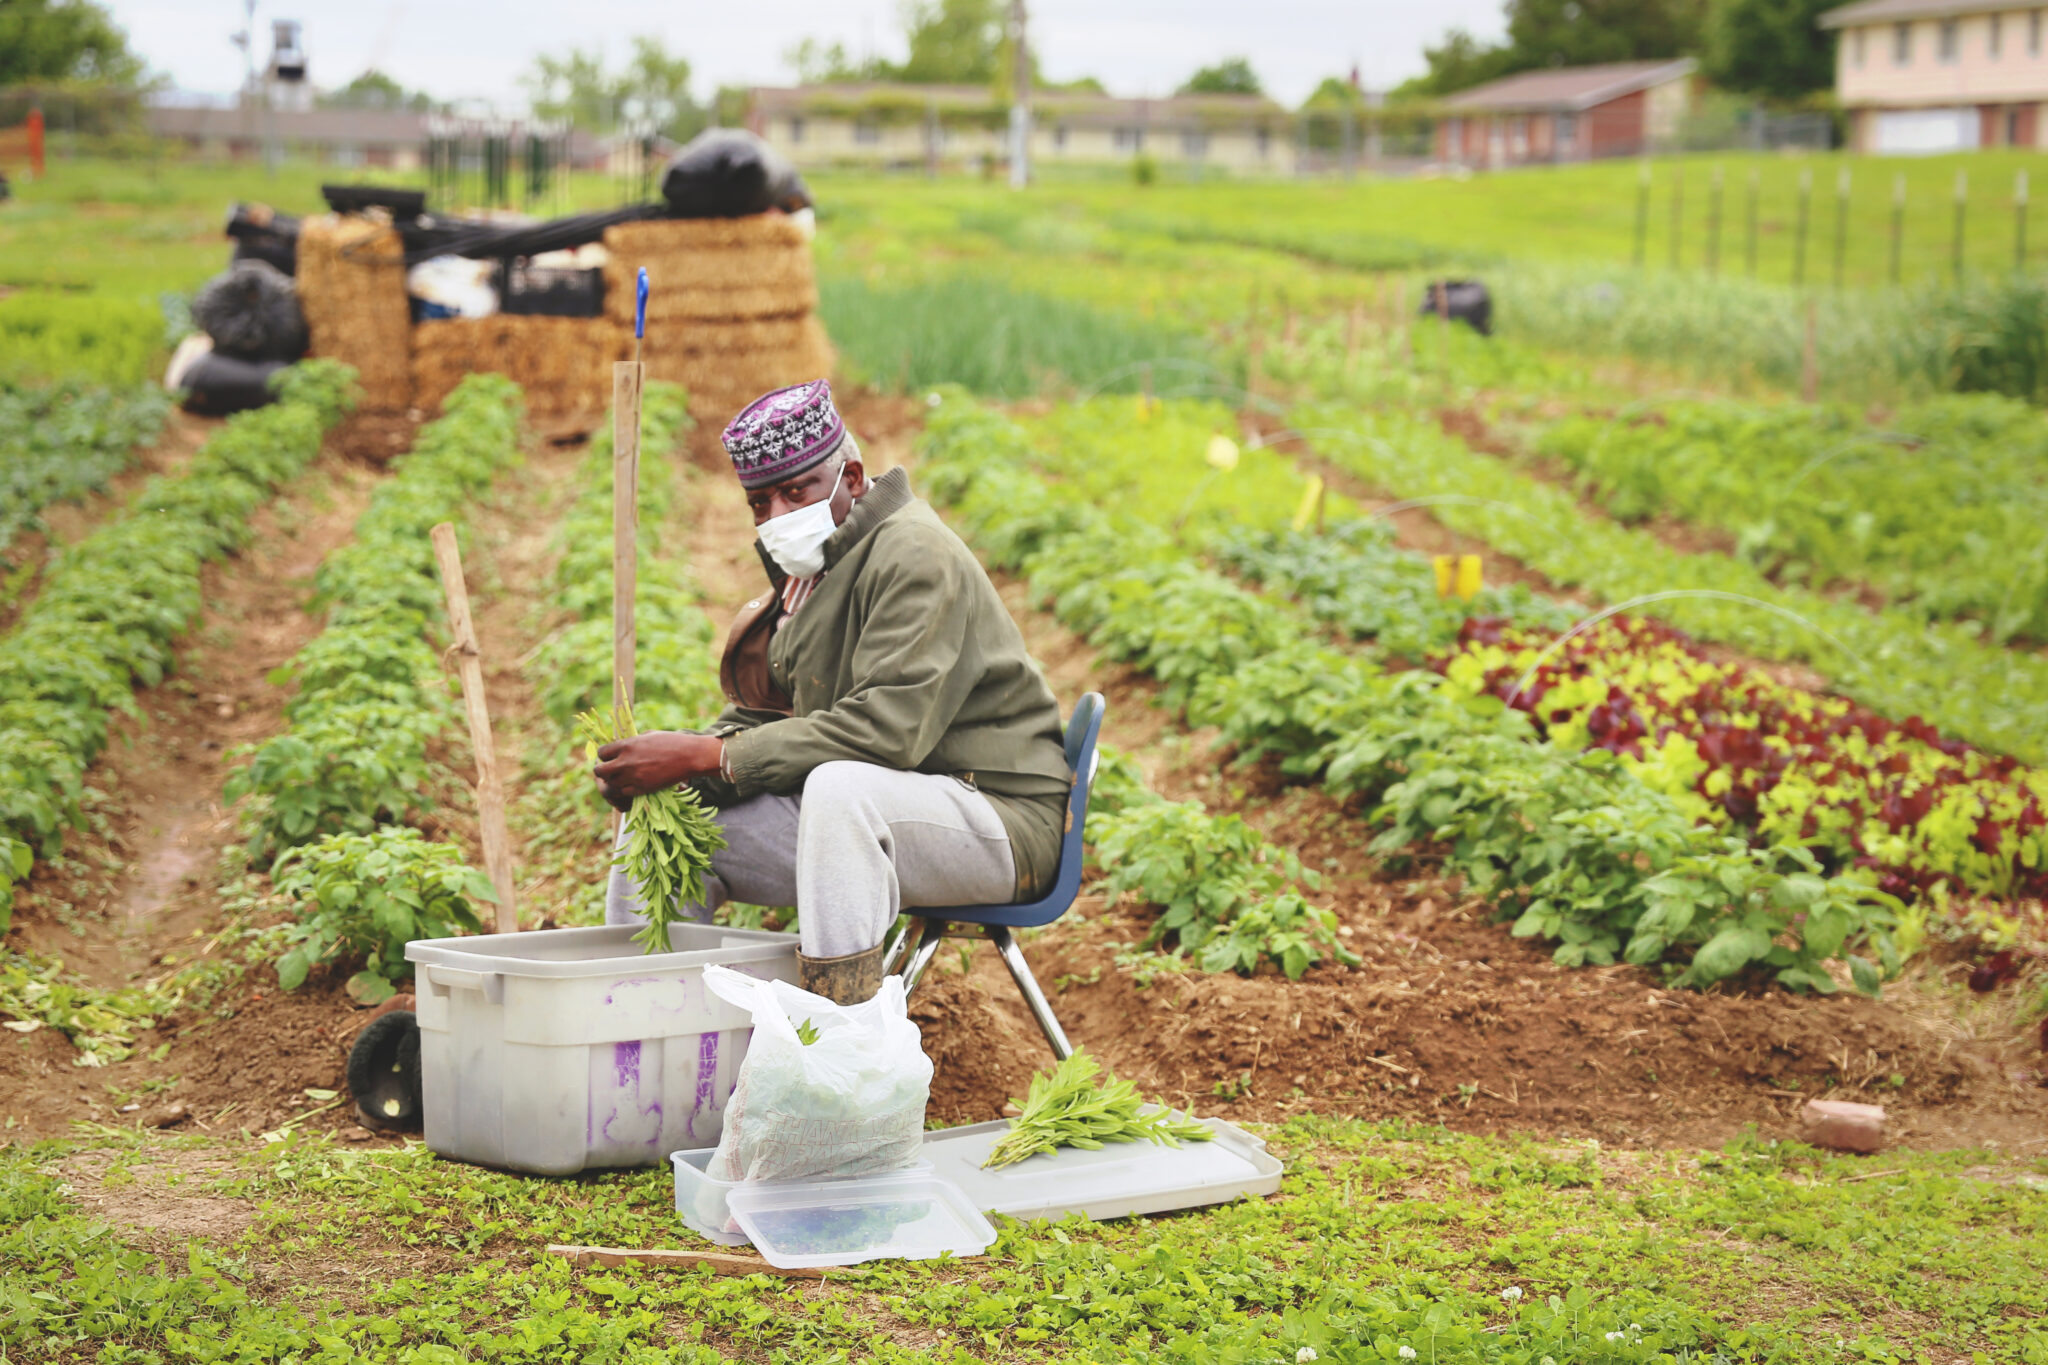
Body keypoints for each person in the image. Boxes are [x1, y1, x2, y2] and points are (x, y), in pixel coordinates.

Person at [591, 379, 1072, 1003]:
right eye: (760, 504)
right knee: (671, 814)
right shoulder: (819, 569)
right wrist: (672, 765)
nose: (778, 518)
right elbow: (774, 714)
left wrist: (712, 756)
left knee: (839, 788)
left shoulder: (914, 555)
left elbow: (886, 731)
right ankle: (637, 1019)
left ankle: (839, 1040)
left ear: (850, 475)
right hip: (888, 810)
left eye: (798, 492)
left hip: (997, 817)